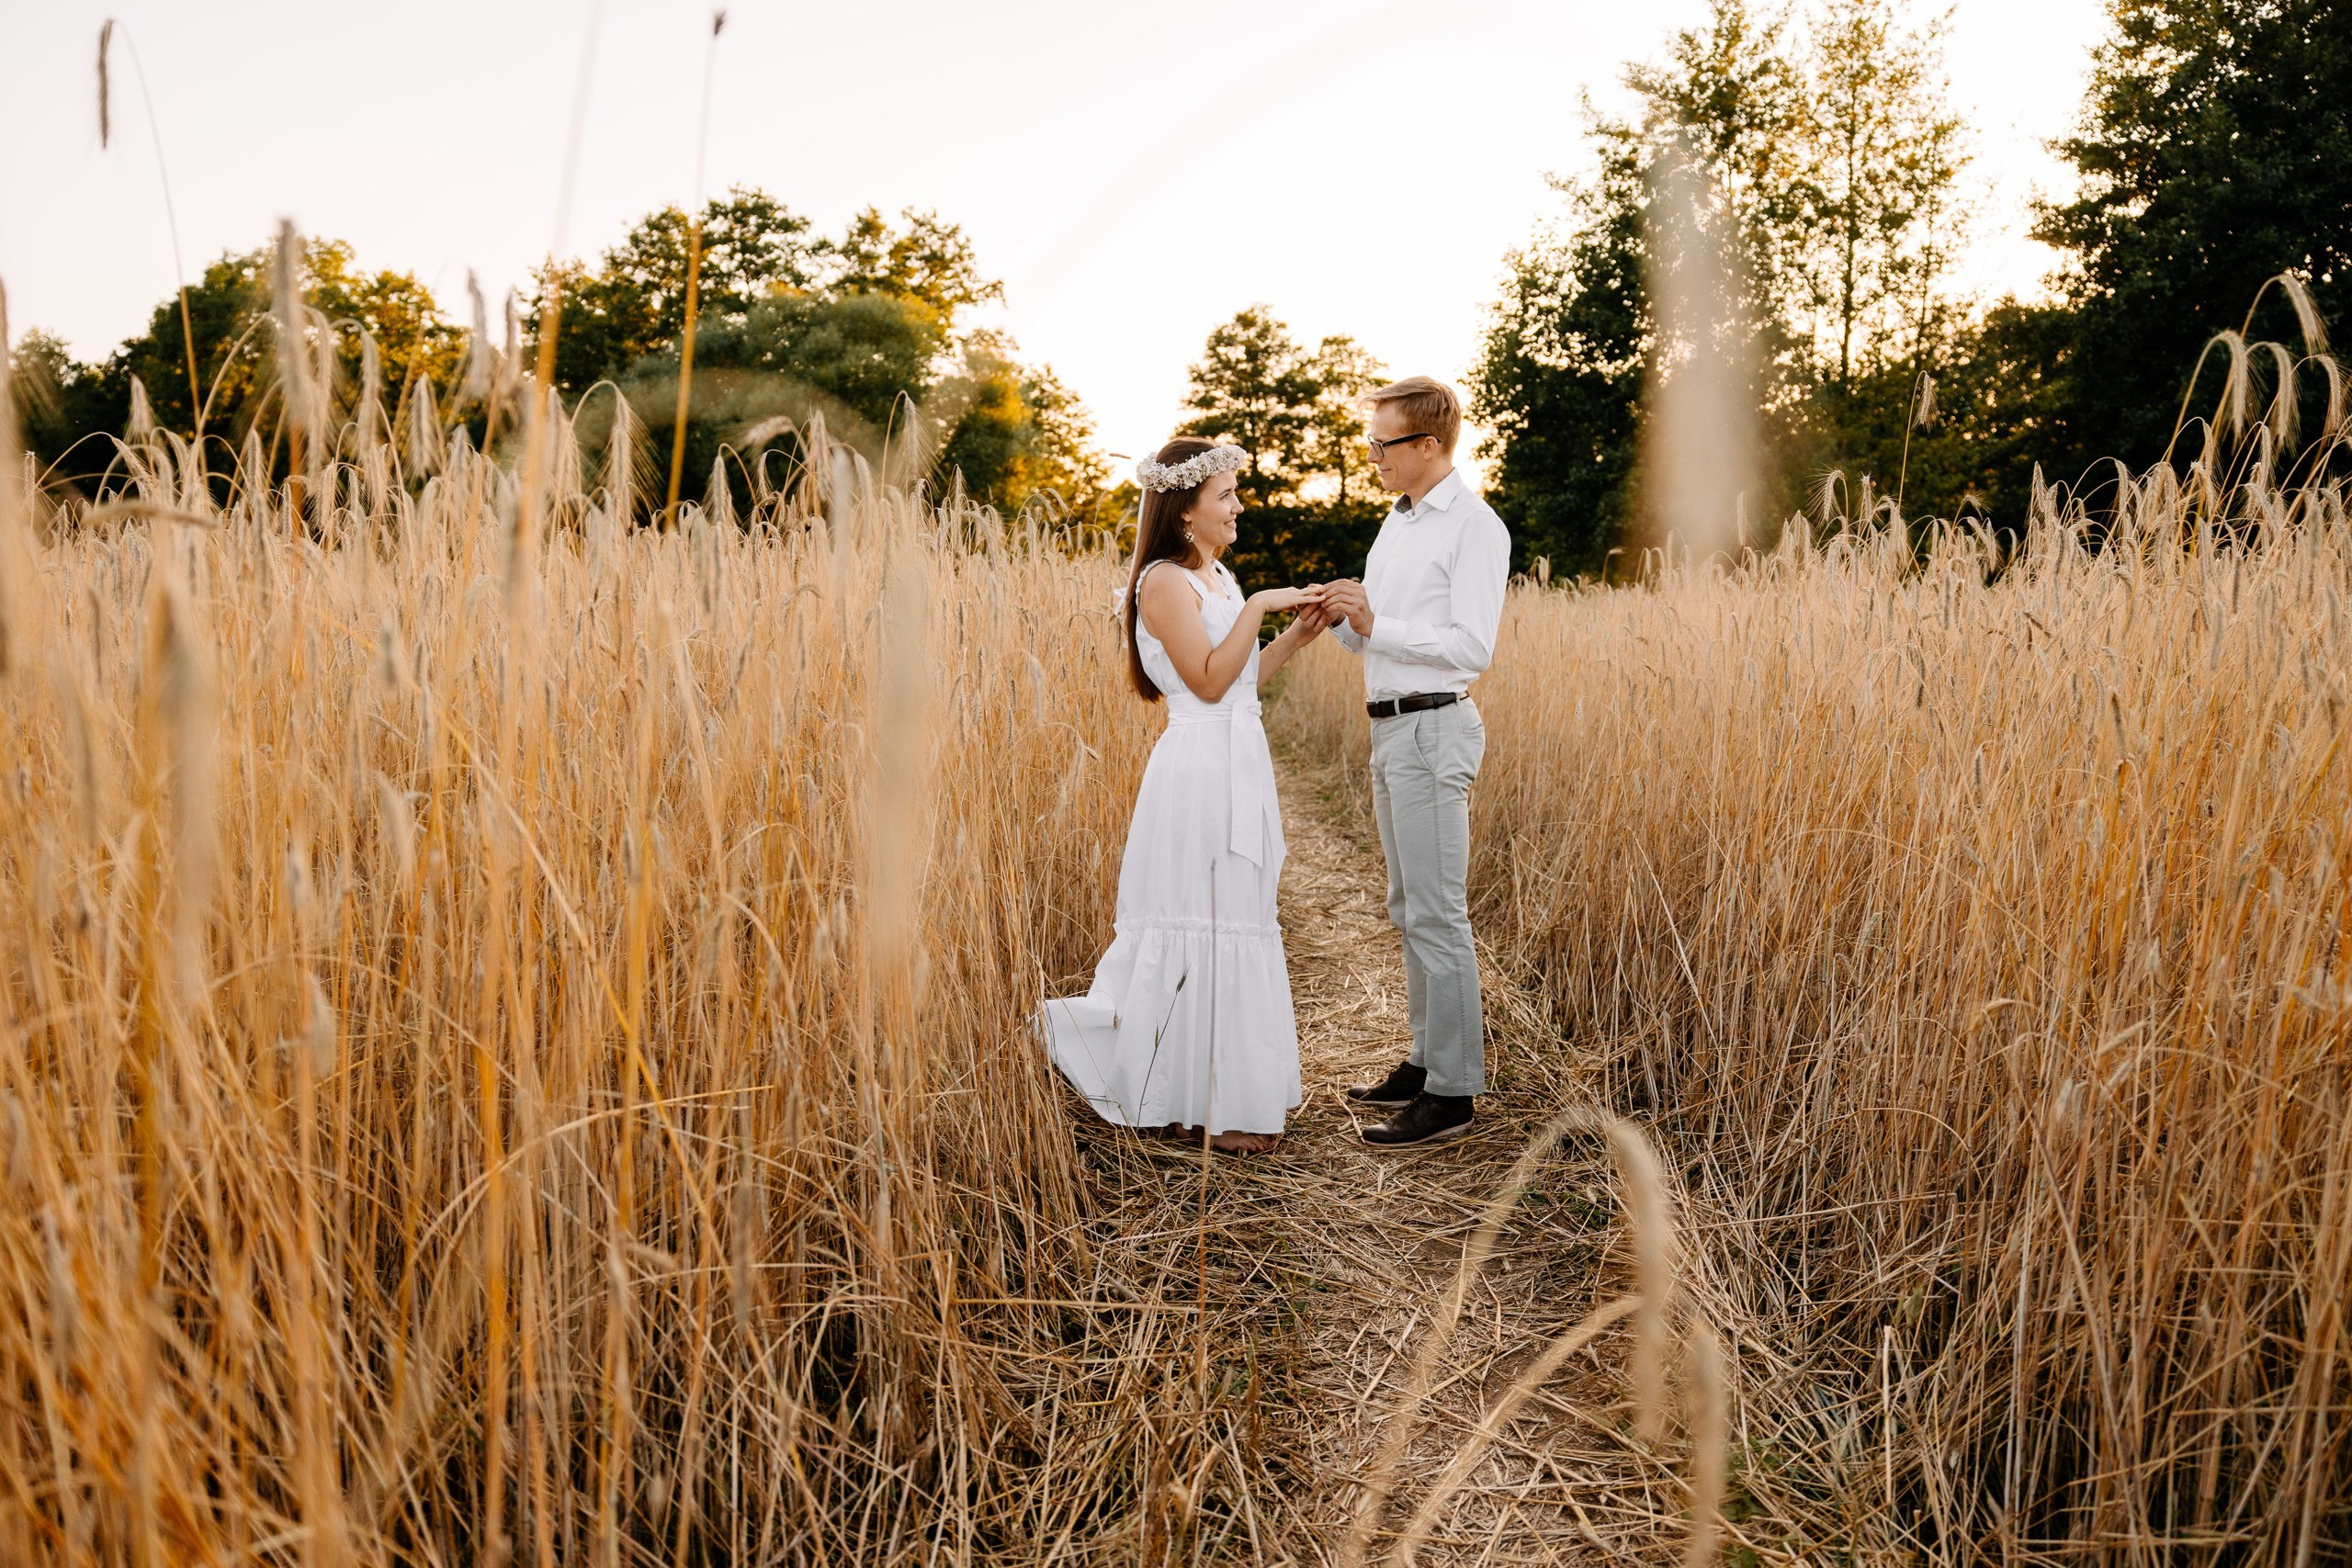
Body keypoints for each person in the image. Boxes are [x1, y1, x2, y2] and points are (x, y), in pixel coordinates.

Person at [1038, 437, 1330, 1153]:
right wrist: (1263, 602)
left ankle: (1211, 1099)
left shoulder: (1220, 577)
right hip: (1198, 767)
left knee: (1237, 910)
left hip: (1237, 757)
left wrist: (1293, 637)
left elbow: (1238, 680)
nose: (1238, 506)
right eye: (1225, 494)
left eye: (1235, 493)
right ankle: (1188, 1103)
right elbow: (1202, 682)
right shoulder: (1164, 581)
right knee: (1200, 918)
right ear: (1185, 510)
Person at [1318, 378, 1510, 1148]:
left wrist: (1379, 620)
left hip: (1435, 730)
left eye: (1383, 443)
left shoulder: (1475, 526)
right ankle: (1426, 1061)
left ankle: (1455, 1093)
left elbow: (1472, 647)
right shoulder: (1394, 524)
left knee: (1438, 912)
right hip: (1391, 730)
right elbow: (1376, 638)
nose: (1373, 457)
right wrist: (1341, 616)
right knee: (1409, 907)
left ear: (1428, 445)